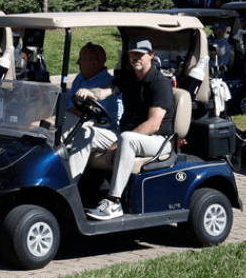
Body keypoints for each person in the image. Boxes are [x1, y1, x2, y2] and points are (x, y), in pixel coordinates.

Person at [73, 38, 176, 221]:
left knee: (127, 139)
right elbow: (104, 92)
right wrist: (91, 93)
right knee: (86, 130)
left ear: (151, 55)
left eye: (140, 54)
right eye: (132, 54)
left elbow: (154, 124)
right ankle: (70, 191)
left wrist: (117, 143)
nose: (135, 57)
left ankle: (113, 203)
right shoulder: (128, 78)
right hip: (126, 135)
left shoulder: (159, 84)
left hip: (159, 141)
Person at [57, 43, 127, 179]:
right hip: (79, 123)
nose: (77, 62)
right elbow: (67, 105)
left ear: (96, 62)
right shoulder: (80, 78)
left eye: (82, 59)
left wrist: (54, 120)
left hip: (103, 129)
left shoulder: (108, 82)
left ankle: (68, 187)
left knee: (71, 131)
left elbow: (87, 113)